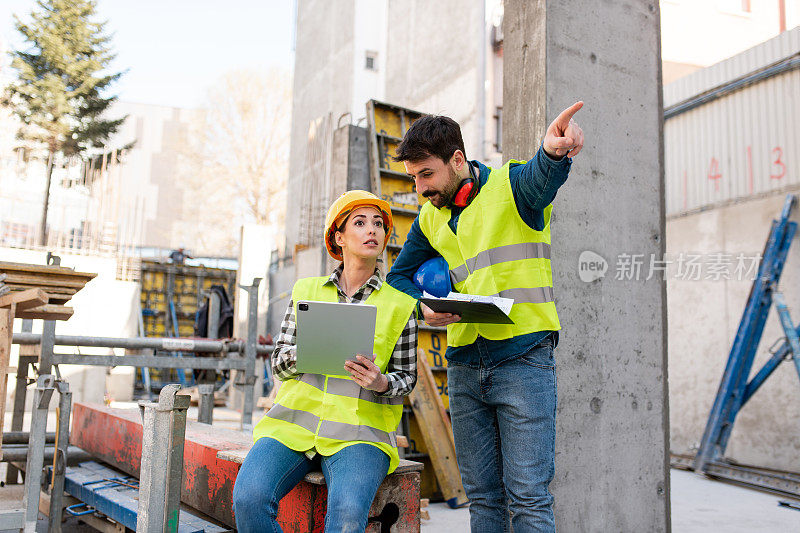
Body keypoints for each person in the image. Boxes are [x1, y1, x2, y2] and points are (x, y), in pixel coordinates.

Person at [386, 102, 585, 532]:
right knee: (483, 500)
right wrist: (423, 308)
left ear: (457, 160)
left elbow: (540, 180)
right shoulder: (429, 217)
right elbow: (397, 280)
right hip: (463, 365)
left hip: (524, 359)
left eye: (427, 174)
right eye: (414, 177)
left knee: (529, 499)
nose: (420, 187)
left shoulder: (511, 186)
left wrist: (552, 154)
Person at [232, 190, 418, 533]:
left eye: (378, 223)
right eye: (359, 223)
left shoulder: (401, 306)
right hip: (293, 427)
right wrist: (310, 352)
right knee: (249, 499)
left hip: (361, 436)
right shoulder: (306, 291)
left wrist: (381, 382)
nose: (372, 230)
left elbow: (407, 379)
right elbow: (278, 362)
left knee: (347, 518)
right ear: (339, 237)